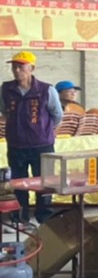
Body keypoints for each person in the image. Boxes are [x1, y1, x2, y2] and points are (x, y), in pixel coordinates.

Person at [2, 52, 62, 226]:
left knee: (45, 182)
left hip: (42, 145)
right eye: (14, 67)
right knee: (18, 183)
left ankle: (45, 218)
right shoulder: (6, 89)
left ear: (32, 68)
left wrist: (44, 130)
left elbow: (57, 115)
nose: (17, 70)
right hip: (16, 144)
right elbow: (4, 111)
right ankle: (20, 218)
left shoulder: (46, 90)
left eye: (21, 67)